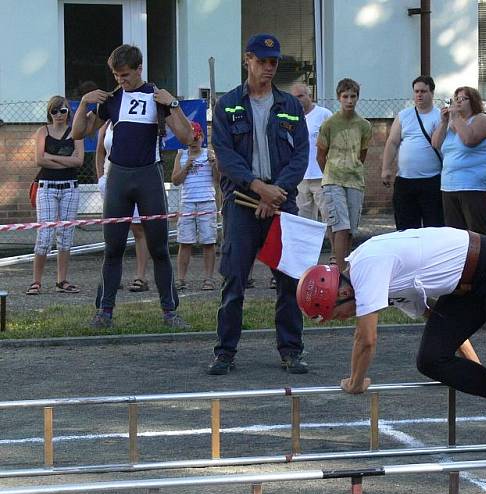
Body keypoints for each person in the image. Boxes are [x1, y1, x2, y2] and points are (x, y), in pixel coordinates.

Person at [296, 227, 486, 407]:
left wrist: (355, 383)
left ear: (344, 293)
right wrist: (476, 371)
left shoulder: (366, 267)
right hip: (468, 284)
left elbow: (366, 339)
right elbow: (442, 322)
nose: (345, 319)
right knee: (431, 359)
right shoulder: (386, 282)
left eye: (338, 315)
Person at [207, 33, 309, 376]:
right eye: (262, 61)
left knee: (289, 279)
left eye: (274, 62)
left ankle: (291, 350)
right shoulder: (228, 105)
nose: (268, 68)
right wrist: (258, 188)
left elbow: (301, 156)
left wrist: (275, 191)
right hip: (242, 200)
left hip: (281, 200)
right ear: (246, 59)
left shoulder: (291, 105)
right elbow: (226, 155)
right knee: (234, 279)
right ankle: (225, 352)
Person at [71, 43, 194, 329]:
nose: (120, 81)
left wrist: (173, 103)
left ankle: (169, 311)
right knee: (112, 248)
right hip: (118, 178)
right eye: (115, 75)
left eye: (125, 75)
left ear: (139, 69)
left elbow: (187, 137)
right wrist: (85, 104)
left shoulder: (157, 97)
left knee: (160, 248)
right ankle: (104, 311)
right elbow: (79, 132)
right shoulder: (112, 98)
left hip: (149, 176)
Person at [27, 96, 84, 296]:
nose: (59, 115)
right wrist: (64, 160)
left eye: (63, 111)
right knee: (44, 236)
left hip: (70, 187)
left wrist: (51, 157)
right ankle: (36, 282)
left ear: (69, 112)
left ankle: (62, 281)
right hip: (47, 187)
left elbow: (79, 162)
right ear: (49, 113)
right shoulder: (43, 131)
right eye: (55, 111)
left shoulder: (75, 132)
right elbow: (39, 160)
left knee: (66, 236)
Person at [317, 78, 372, 272]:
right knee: (339, 226)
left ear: (357, 98)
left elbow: (362, 154)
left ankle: (346, 268)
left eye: (353, 96)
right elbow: (321, 154)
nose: (349, 100)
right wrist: (331, 174)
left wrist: (352, 169)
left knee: (350, 230)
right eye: (345, 96)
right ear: (339, 98)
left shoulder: (364, 125)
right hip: (333, 179)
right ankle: (338, 274)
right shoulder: (330, 124)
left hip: (355, 180)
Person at [381, 75, 444, 230]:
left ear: (432, 93)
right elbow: (392, 142)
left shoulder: (440, 116)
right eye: (416, 91)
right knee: (405, 229)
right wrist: (386, 168)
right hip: (405, 181)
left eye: (423, 91)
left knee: (434, 227)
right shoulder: (404, 115)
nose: (419, 95)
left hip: (432, 180)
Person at [96, 120, 151, 293]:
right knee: (113, 231)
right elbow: (99, 151)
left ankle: (140, 277)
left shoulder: (137, 119)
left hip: (133, 179)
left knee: (138, 229)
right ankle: (112, 276)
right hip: (110, 181)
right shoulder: (106, 124)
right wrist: (101, 178)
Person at [431, 86, 486, 235]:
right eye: (456, 99)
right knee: (454, 234)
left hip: (474, 185)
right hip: (449, 185)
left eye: (463, 99)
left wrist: (456, 118)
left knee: (476, 233)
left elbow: (469, 139)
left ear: (473, 101)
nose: (458, 102)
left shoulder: (481, 119)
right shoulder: (452, 122)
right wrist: (444, 122)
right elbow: (436, 144)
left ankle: (481, 259)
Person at [171, 121, 220, 291]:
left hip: (206, 200)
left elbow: (218, 180)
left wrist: (215, 165)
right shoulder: (181, 155)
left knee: (208, 241)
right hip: (187, 202)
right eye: (191, 139)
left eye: (197, 138)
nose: (194, 142)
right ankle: (181, 279)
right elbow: (176, 181)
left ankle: (208, 278)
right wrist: (186, 166)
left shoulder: (209, 154)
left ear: (202, 138)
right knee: (185, 241)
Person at [290, 82, 332, 222]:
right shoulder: (291, 117)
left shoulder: (324, 115)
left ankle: (333, 244)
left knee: (330, 217)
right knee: (304, 221)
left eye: (301, 96)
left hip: (322, 176)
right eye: (294, 97)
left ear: (310, 96)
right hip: (300, 178)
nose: (298, 100)